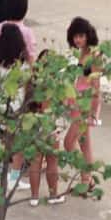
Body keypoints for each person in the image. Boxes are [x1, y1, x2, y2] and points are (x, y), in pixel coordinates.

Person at [0, 23, 30, 192]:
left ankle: (1, 173)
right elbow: (26, 84)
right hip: (17, 105)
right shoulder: (22, 62)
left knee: (4, 141)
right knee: (17, 145)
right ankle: (13, 178)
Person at [63, 17, 101, 195]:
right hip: (75, 100)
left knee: (69, 142)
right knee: (84, 143)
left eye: (81, 36)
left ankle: (86, 177)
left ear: (88, 35)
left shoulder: (94, 55)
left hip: (84, 103)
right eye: (75, 36)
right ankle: (87, 180)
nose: (78, 40)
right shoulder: (79, 53)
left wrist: (94, 111)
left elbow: (96, 85)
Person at [28, 49, 65, 207]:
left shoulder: (32, 81)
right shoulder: (55, 84)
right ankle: (53, 194)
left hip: (33, 123)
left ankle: (34, 196)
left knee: (35, 162)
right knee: (52, 162)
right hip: (50, 124)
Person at [0, 0, 37, 66]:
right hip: (19, 69)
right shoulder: (28, 32)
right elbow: (31, 57)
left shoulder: (0, 27)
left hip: (1, 66)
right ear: (25, 11)